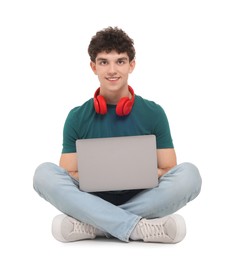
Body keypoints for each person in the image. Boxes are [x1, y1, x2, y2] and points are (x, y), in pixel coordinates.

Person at [33, 26, 202, 243]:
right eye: (104, 62)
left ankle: (95, 225)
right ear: (93, 67)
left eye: (120, 61)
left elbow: (170, 168)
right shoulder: (76, 116)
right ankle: (137, 228)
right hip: (91, 197)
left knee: (190, 175)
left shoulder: (154, 113)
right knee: (44, 175)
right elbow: (68, 172)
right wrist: (98, 177)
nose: (112, 70)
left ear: (132, 65)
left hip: (143, 195)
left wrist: (137, 173)